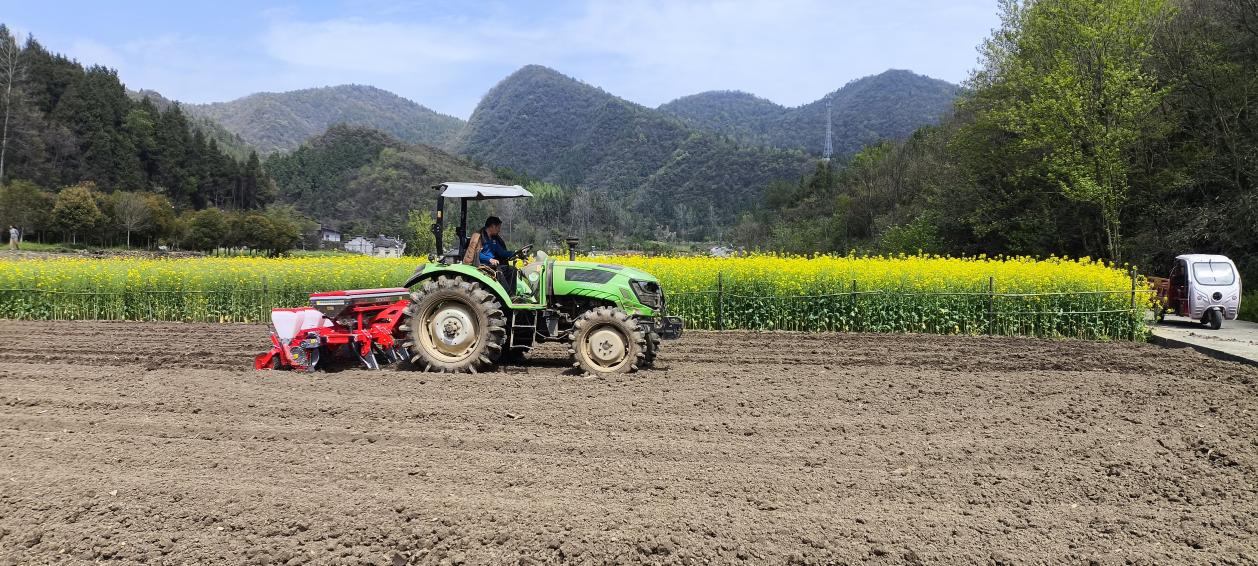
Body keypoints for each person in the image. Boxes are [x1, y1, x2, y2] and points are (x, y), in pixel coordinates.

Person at [478, 216, 517, 293]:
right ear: (492, 226)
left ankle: (513, 294)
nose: (499, 230)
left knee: (511, 269)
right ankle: (508, 295)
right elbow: (477, 254)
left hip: (493, 265)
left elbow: (501, 253)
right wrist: (489, 259)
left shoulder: (494, 239)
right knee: (498, 271)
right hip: (483, 265)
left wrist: (515, 253)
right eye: (498, 228)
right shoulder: (480, 237)